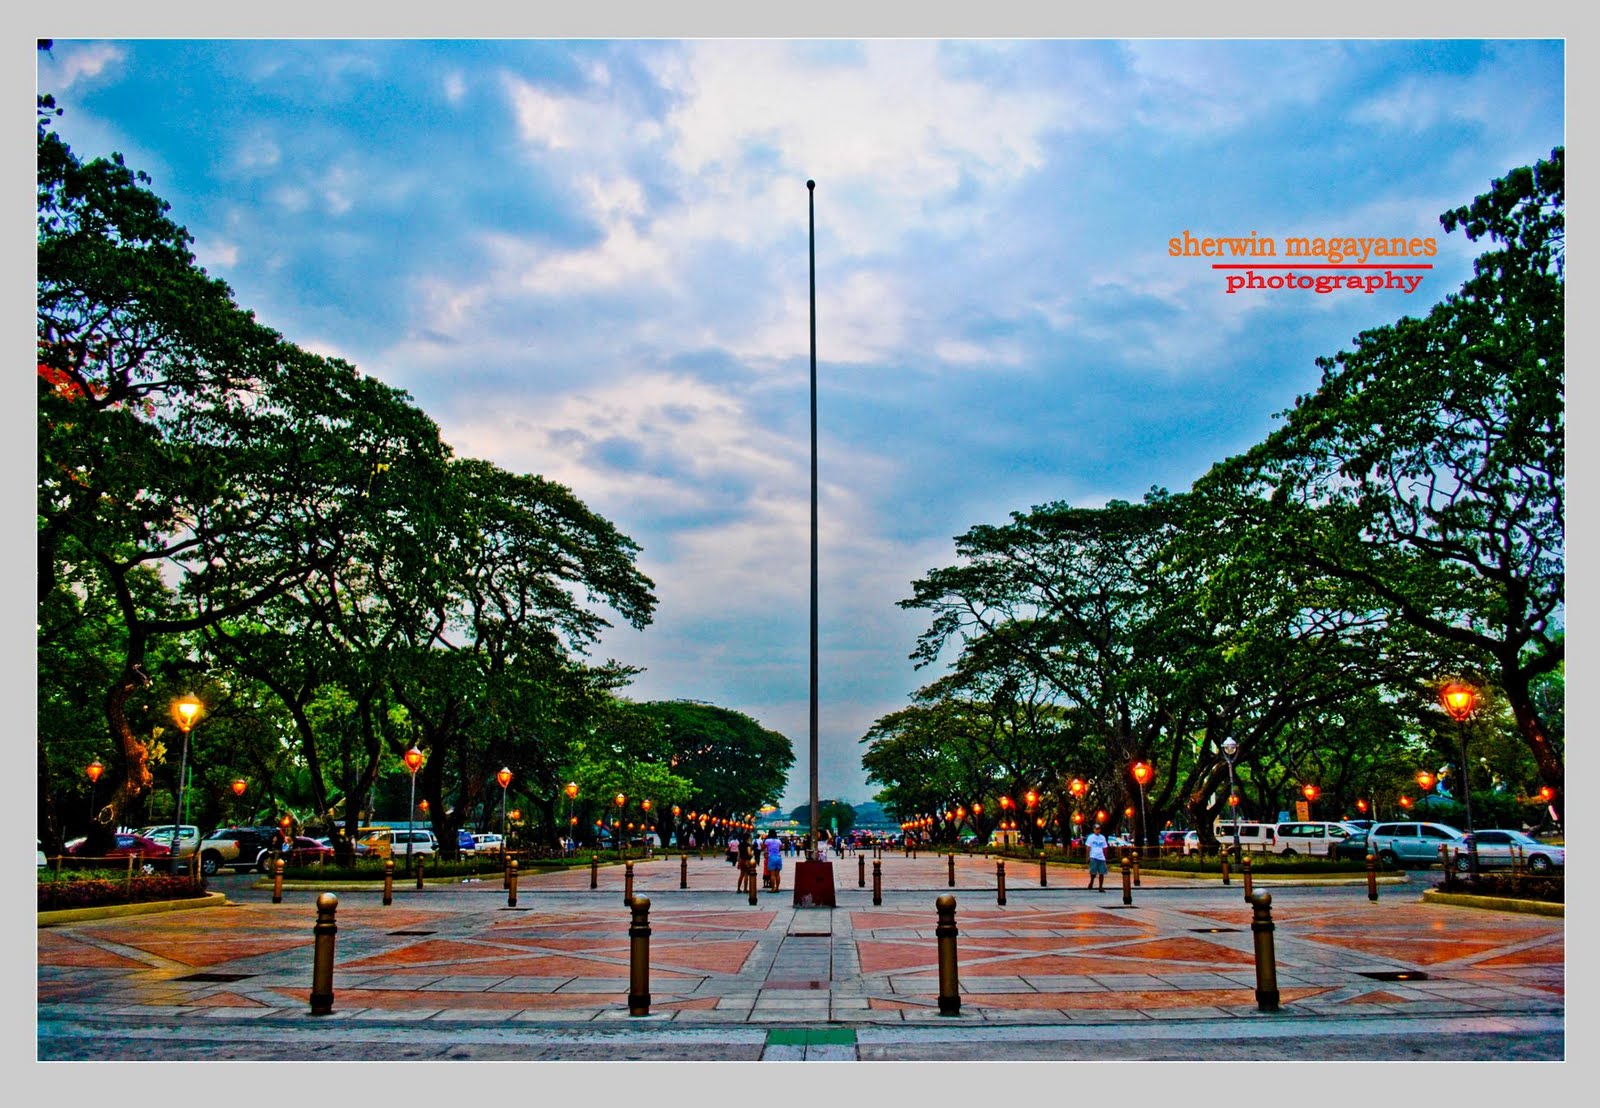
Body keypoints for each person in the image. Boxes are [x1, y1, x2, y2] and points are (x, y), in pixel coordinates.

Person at [1085, 824, 1109, 891]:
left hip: (1101, 857)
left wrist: (1105, 857)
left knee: (1102, 873)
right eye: (1096, 829)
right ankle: (1091, 881)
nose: (1098, 830)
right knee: (1093, 872)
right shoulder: (1091, 837)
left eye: (1099, 829)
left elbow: (1105, 847)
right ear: (1094, 830)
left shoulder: (1102, 837)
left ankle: (1100, 887)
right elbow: (1088, 847)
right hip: (1093, 856)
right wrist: (1088, 856)